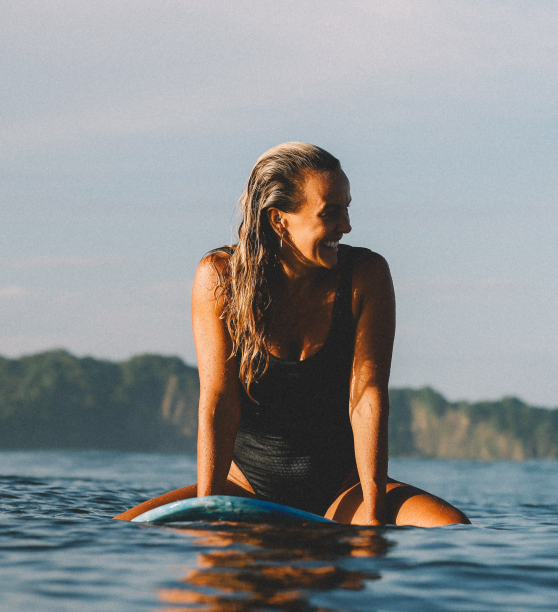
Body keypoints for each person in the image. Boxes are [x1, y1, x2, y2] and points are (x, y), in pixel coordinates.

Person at [117, 143, 468, 526]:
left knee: (451, 528)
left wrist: (373, 512)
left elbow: (367, 398)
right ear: (279, 220)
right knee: (124, 531)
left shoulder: (365, 276)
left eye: (347, 209)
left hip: (343, 491)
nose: (346, 225)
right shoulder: (220, 278)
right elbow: (219, 401)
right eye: (330, 213)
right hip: (244, 489)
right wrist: (210, 512)